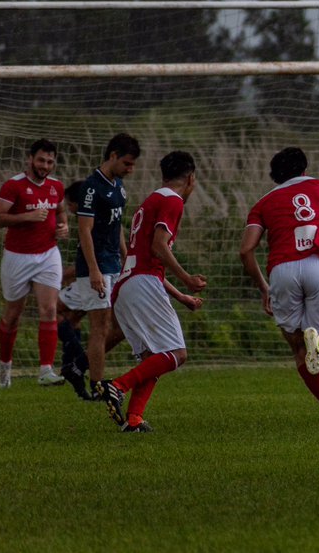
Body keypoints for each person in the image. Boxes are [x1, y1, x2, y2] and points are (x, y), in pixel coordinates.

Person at [240, 147, 319, 420]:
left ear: (275, 175)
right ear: (304, 168)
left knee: (299, 349)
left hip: (281, 271)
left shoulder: (262, 204)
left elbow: (245, 250)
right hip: (317, 265)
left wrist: (264, 287)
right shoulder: (318, 187)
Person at [103, 151, 207, 432]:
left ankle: (134, 419)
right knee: (177, 353)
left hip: (129, 283)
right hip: (142, 283)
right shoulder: (173, 201)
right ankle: (117, 386)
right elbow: (159, 247)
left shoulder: (152, 199)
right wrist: (186, 279)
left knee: (155, 357)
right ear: (191, 178)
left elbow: (150, 260)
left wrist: (181, 296)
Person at [58, 133, 140, 400]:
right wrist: (93, 270)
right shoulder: (92, 187)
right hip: (96, 266)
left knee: (124, 326)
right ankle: (97, 386)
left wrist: (129, 259)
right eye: (127, 163)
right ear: (113, 155)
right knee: (100, 326)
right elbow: (85, 231)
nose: (131, 169)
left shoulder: (118, 187)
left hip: (114, 264)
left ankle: (78, 365)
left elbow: (116, 229)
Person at [0, 139, 70, 388]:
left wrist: (63, 226)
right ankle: (4, 368)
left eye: (50, 161)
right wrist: (28, 216)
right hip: (17, 256)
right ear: (30, 159)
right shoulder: (14, 185)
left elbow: (61, 211)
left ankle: (45, 370)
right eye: (41, 160)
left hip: (48, 254)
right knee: (13, 314)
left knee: (49, 310)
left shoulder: (56, 186)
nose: (45, 166)